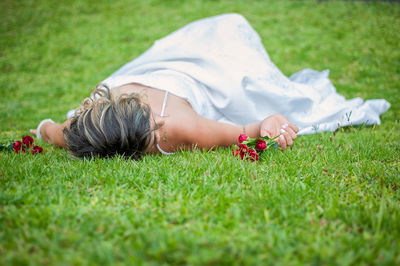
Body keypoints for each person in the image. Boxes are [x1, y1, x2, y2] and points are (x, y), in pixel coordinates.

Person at [30, 14, 390, 159]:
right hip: (167, 83)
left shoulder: (173, 125)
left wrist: (266, 121)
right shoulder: (85, 128)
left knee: (230, 34)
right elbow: (50, 130)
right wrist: (264, 124)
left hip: (182, 69)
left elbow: (49, 128)